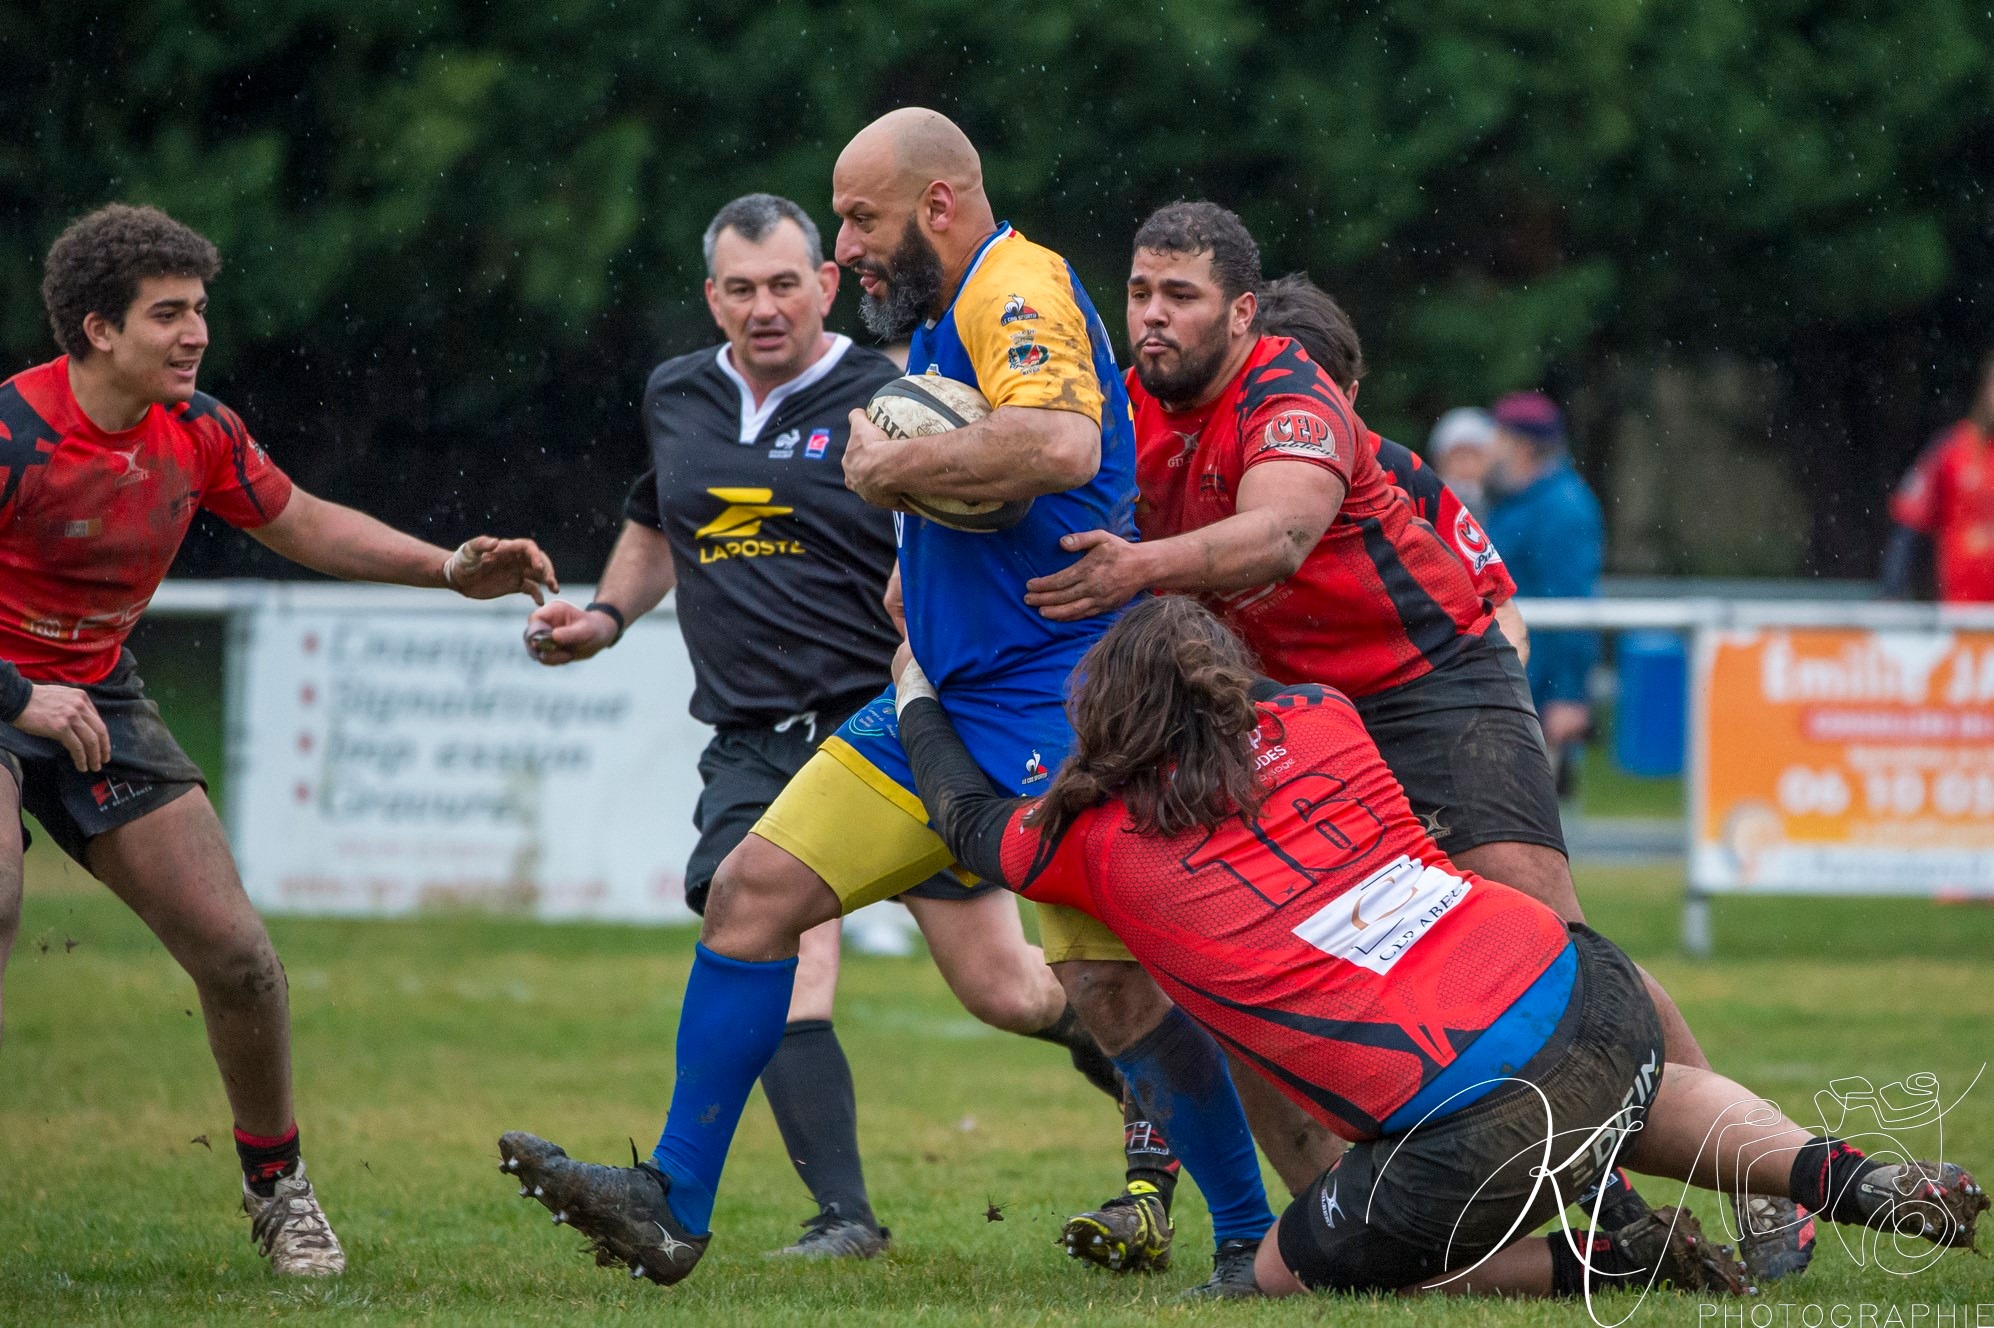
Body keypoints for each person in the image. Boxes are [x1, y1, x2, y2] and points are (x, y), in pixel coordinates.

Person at [495, 110, 1273, 1294]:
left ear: (939, 206)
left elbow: (1060, 443)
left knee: (1106, 986)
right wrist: (919, 545)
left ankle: (1239, 1233)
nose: (845, 246)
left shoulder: (1015, 288)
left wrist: (889, 471)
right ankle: (670, 1203)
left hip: (1055, 709)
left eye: (859, 217)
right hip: (938, 701)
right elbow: (994, 478)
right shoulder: (936, 318)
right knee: (754, 895)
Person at [1024, 202, 1813, 1285]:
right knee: (1273, 967)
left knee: (1552, 950)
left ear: (1245, 317)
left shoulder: (1294, 401)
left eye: (1180, 296)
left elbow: (1285, 536)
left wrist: (1136, 570)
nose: (1151, 317)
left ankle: (1765, 1182)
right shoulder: (1122, 413)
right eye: (1140, 293)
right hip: (1288, 716)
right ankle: (1318, 1235)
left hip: (1425, 692)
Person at [891, 593, 1988, 1298]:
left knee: (1284, 1273)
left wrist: (916, 686)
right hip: (1588, 983)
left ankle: (1592, 1260)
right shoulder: (1319, 714)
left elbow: (962, 816)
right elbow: (1242, 700)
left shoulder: (1096, 845)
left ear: (1107, 716)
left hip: (1471, 1115)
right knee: (1622, 1097)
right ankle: (1844, 1175)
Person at [0, 204, 557, 1275]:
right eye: (168, 313)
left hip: (97, 695)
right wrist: (17, 695)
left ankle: (280, 1190)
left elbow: (299, 519)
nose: (195, 332)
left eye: (199, 309)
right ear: (95, 327)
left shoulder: (197, 429)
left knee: (240, 956)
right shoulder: (15, 432)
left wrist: (450, 567)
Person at [1252, 275, 1527, 668]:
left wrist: (1487, 712)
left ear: (1350, 398)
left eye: (1315, 407)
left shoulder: (1401, 471)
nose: (1299, 430)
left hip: (1399, 704)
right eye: (1277, 404)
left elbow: (1499, 608)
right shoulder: (1194, 468)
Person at [1483, 390, 1605, 799]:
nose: (1489, 448)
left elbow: (1573, 608)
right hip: (1515, 680)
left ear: (1522, 445)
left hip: (1537, 687)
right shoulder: (1518, 502)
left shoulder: (1562, 506)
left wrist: (1567, 694)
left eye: (1497, 436)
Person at [1882, 351, 1994, 603]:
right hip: (1964, 622)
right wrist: (1893, 593)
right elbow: (1908, 522)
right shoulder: (1951, 450)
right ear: (1985, 389)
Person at [1427, 407, 1498, 516]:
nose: (1468, 466)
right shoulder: (1427, 507)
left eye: (1476, 456)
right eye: (1460, 457)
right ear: (1441, 462)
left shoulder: (1503, 506)